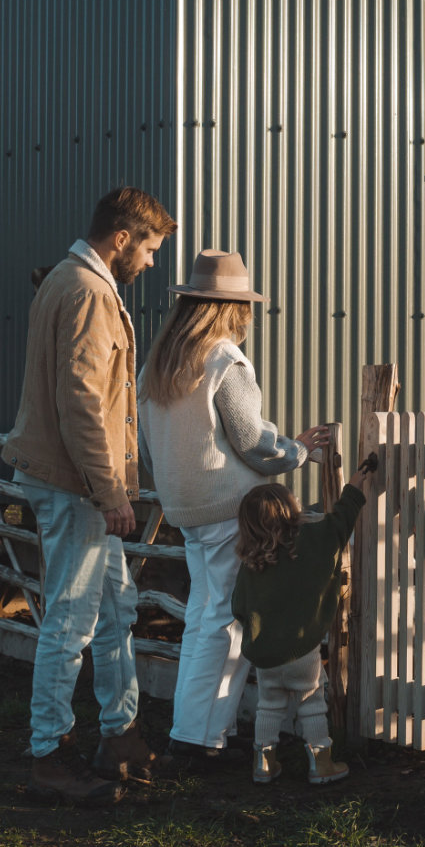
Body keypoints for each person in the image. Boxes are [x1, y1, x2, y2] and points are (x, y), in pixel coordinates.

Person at [3, 185, 177, 805]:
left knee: (115, 611)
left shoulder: (70, 280)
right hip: (75, 484)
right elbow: (81, 403)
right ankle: (50, 752)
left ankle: (120, 734)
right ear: (122, 238)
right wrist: (109, 493)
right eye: (151, 248)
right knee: (72, 621)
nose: (152, 262)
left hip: (75, 480)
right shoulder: (86, 291)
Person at [138, 249, 329, 767]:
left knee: (203, 617)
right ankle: (198, 741)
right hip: (230, 508)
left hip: (186, 507)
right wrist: (300, 451)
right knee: (228, 619)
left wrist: (177, 491)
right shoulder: (224, 358)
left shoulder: (158, 362)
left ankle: (193, 730)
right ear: (232, 309)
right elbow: (250, 439)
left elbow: (146, 447)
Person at [231, 465, 373, 785]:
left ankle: (263, 764)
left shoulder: (252, 560)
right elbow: (341, 520)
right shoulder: (311, 541)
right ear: (291, 510)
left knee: (268, 707)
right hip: (300, 651)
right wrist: (354, 485)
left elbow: (238, 606)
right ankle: (321, 764)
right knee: (311, 704)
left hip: (264, 654)